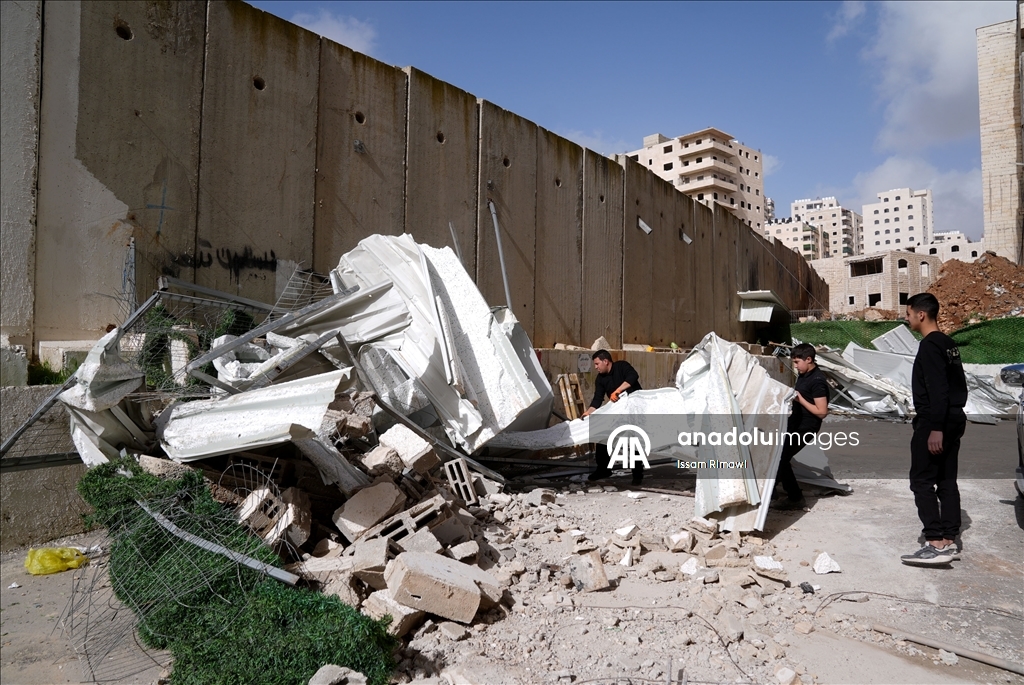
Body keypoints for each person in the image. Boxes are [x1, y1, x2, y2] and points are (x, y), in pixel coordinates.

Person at [900, 292, 968, 567]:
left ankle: (935, 542)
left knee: (922, 480)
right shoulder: (948, 343)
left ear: (921, 314)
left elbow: (938, 389)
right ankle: (949, 538)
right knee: (947, 479)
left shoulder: (929, 346)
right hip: (953, 418)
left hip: (935, 421)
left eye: (908, 314)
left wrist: (935, 428)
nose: (906, 319)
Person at [773, 343, 830, 510]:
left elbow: (822, 412)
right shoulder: (804, 375)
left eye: (797, 362)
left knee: (781, 457)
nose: (796, 366)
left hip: (806, 427)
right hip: (795, 423)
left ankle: (791, 497)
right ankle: (786, 494)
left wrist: (800, 399)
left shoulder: (817, 381)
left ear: (809, 359)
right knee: (779, 455)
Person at [581, 350, 643, 485]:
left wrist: (618, 390)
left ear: (606, 361)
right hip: (618, 412)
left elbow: (633, 376)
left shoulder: (622, 366)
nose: (595, 367)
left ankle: (637, 474)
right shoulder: (600, 379)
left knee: (633, 441)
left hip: (635, 409)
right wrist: (588, 412)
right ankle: (603, 469)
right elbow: (597, 399)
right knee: (602, 435)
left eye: (597, 364)